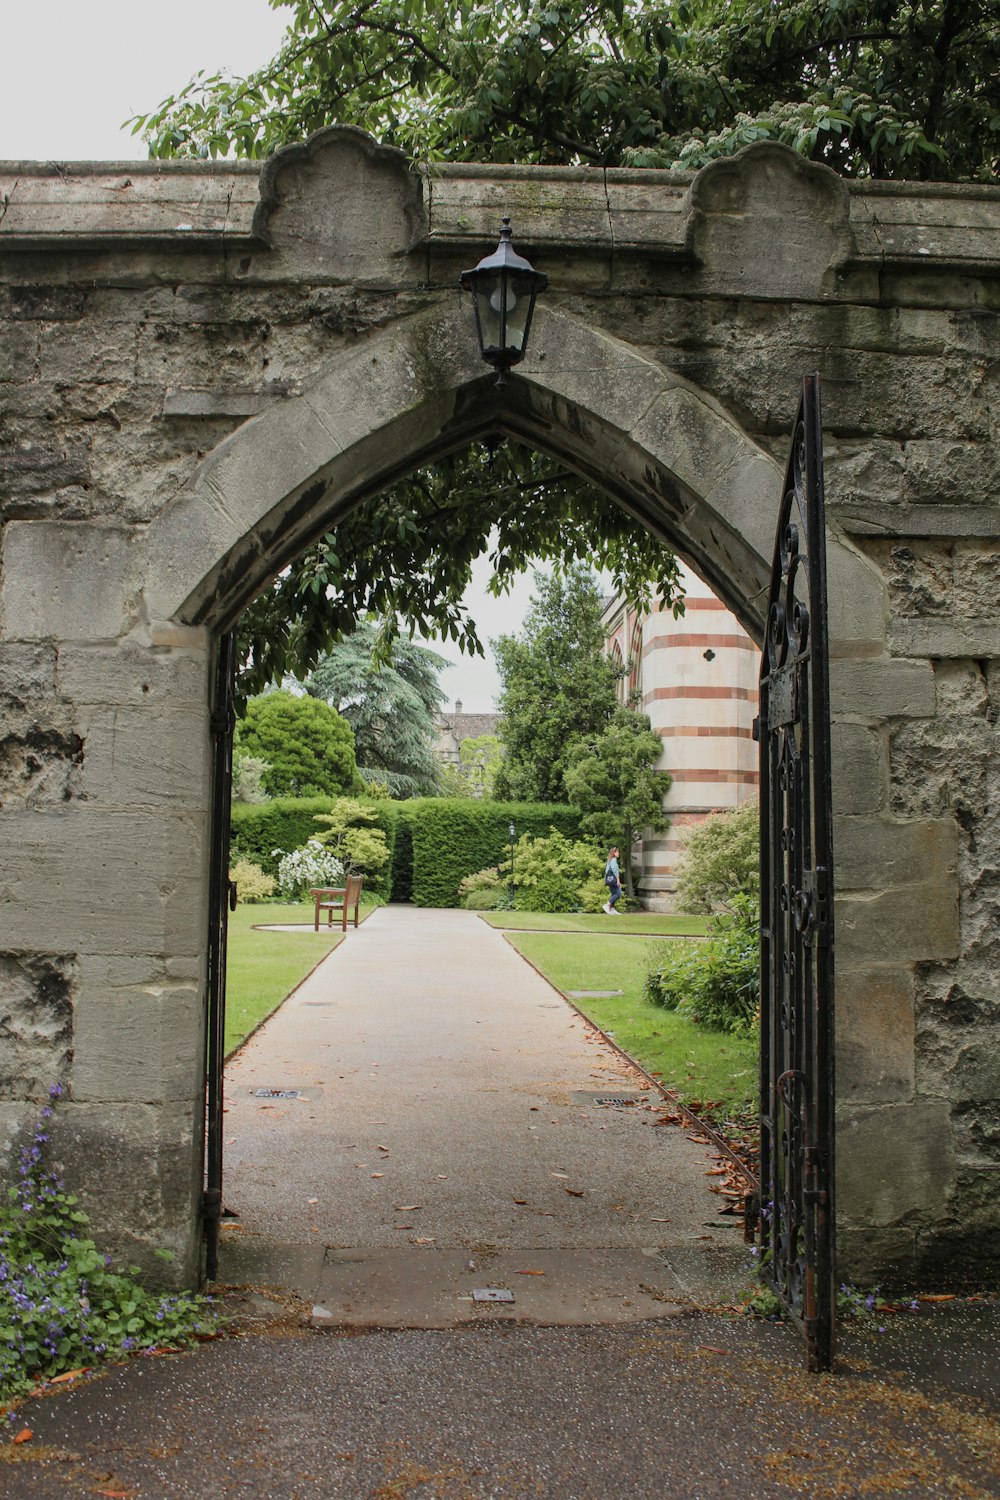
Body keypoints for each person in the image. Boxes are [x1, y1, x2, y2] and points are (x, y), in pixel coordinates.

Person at [603, 845, 622, 915]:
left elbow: (606, 871)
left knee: (614, 893)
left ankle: (612, 909)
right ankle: (608, 905)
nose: (618, 854)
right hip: (614, 879)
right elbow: (614, 870)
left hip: (610, 880)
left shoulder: (609, 860)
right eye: (617, 852)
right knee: (618, 893)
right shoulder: (613, 860)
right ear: (614, 853)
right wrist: (618, 879)